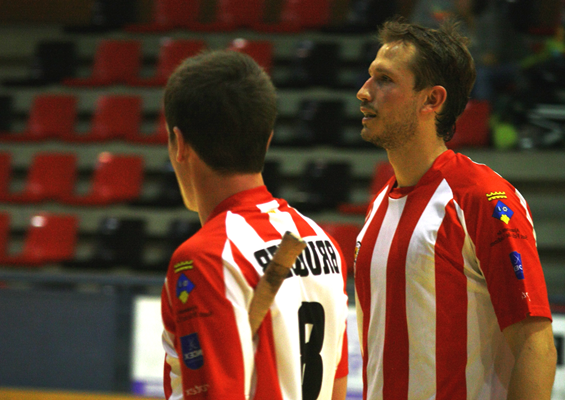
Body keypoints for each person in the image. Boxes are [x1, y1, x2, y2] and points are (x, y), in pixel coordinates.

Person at [353, 18, 557, 399]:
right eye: (370, 77)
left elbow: (536, 346)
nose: (363, 92)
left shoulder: (482, 196)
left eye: (384, 80)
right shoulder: (380, 204)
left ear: (432, 100)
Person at [160, 50, 349, 400]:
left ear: (180, 144)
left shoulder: (205, 258)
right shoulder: (321, 240)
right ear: (267, 139)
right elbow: (338, 389)